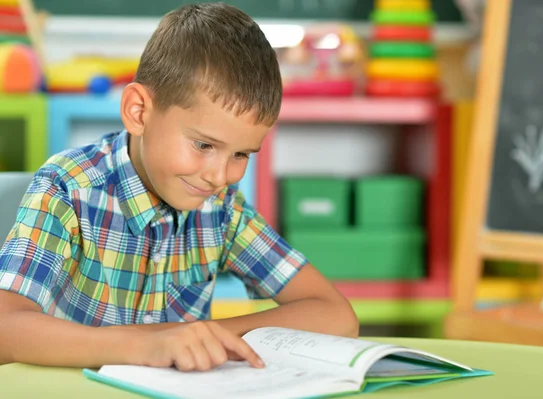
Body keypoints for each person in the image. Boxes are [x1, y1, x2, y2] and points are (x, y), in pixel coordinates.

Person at [0, 3, 358, 372]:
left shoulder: (221, 210)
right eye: (203, 145)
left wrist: (205, 335)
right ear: (139, 112)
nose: (219, 176)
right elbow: (4, 329)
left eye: (241, 154)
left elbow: (335, 314)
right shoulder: (67, 188)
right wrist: (146, 344)